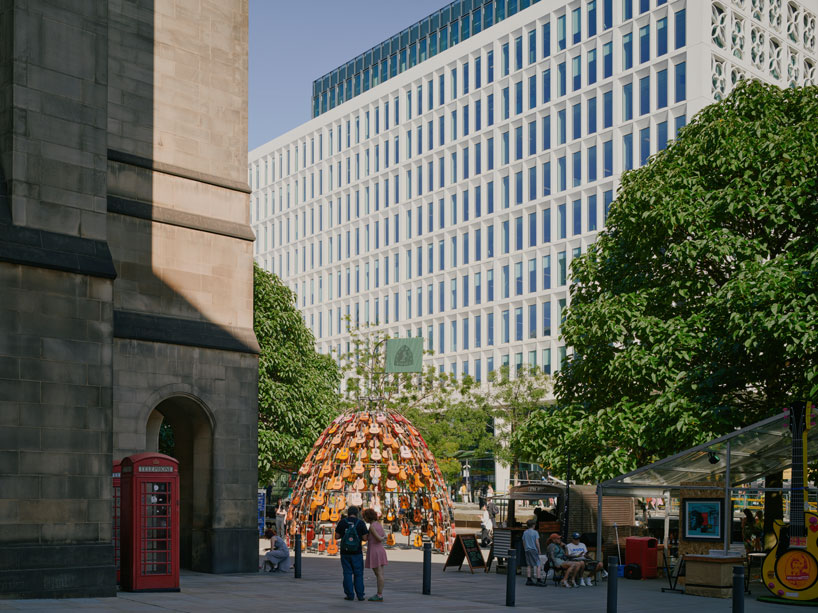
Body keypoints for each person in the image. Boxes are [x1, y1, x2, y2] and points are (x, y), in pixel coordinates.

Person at [334, 506, 369, 601]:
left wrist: (344, 535)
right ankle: (360, 595)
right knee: (358, 574)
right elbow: (365, 538)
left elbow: (336, 536)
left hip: (345, 552)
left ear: (348, 513)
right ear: (357, 513)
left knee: (347, 573)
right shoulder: (361, 523)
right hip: (357, 552)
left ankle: (349, 594)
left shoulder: (342, 522)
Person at [362, 508, 388, 602]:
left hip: (374, 551)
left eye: (365, 517)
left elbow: (379, 538)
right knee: (380, 574)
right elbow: (384, 536)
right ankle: (379, 593)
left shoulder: (372, 526)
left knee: (378, 574)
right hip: (380, 550)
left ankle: (379, 595)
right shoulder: (379, 525)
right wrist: (383, 537)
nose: (364, 519)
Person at [523, 519, 546, 586]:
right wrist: (539, 550)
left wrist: (525, 549)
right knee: (538, 564)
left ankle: (529, 579)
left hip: (527, 550)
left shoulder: (525, 532)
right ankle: (538, 579)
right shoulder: (535, 532)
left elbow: (523, 542)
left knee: (529, 565)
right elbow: (537, 542)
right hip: (533, 550)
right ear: (533, 525)